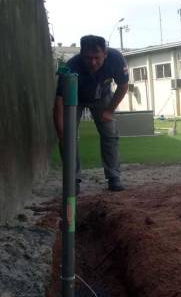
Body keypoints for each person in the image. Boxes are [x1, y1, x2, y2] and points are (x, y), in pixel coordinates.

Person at [53, 35, 129, 192]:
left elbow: (123, 86)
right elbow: (59, 102)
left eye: (97, 58)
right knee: (68, 138)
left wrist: (109, 111)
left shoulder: (116, 59)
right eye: (88, 58)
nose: (93, 62)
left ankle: (114, 177)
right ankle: (72, 179)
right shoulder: (71, 66)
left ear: (105, 54)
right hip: (74, 99)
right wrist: (61, 132)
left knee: (110, 133)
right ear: (81, 54)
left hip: (102, 96)